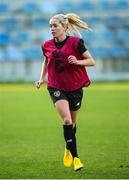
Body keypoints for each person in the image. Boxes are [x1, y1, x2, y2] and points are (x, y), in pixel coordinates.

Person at [36, 13, 95, 171]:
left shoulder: (76, 43)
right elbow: (46, 60)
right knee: (67, 121)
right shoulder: (46, 45)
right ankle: (76, 159)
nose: (52, 29)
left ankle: (68, 147)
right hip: (56, 86)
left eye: (55, 26)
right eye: (50, 26)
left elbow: (91, 61)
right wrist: (41, 78)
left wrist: (77, 62)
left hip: (75, 87)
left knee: (73, 123)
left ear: (65, 27)